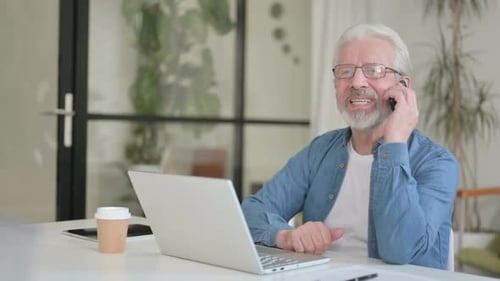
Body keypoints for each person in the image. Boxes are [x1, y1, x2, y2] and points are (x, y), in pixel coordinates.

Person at [241, 23, 459, 270]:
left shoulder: (437, 163)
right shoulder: (321, 151)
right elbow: (250, 211)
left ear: (403, 87)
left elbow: (401, 250)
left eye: (374, 70)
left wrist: (395, 141)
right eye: (345, 71)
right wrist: (286, 236)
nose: (356, 82)